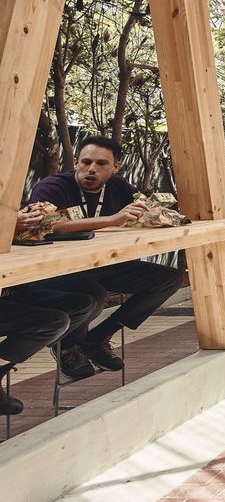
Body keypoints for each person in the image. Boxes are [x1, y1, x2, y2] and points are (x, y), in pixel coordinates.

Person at [18, 135, 185, 379]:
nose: (91, 169)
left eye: (101, 164)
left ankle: (97, 338)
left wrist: (160, 216)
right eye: (85, 162)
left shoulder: (118, 186)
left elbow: (145, 209)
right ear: (76, 162)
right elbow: (45, 224)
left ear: (115, 167)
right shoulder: (52, 187)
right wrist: (112, 220)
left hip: (101, 263)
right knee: (94, 294)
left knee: (170, 279)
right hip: (56, 270)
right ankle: (66, 346)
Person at [1, 208, 105, 414]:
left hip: (12, 282)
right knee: (54, 321)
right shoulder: (54, 185)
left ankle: (89, 343)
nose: (92, 172)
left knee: (84, 304)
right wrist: (7, 224)